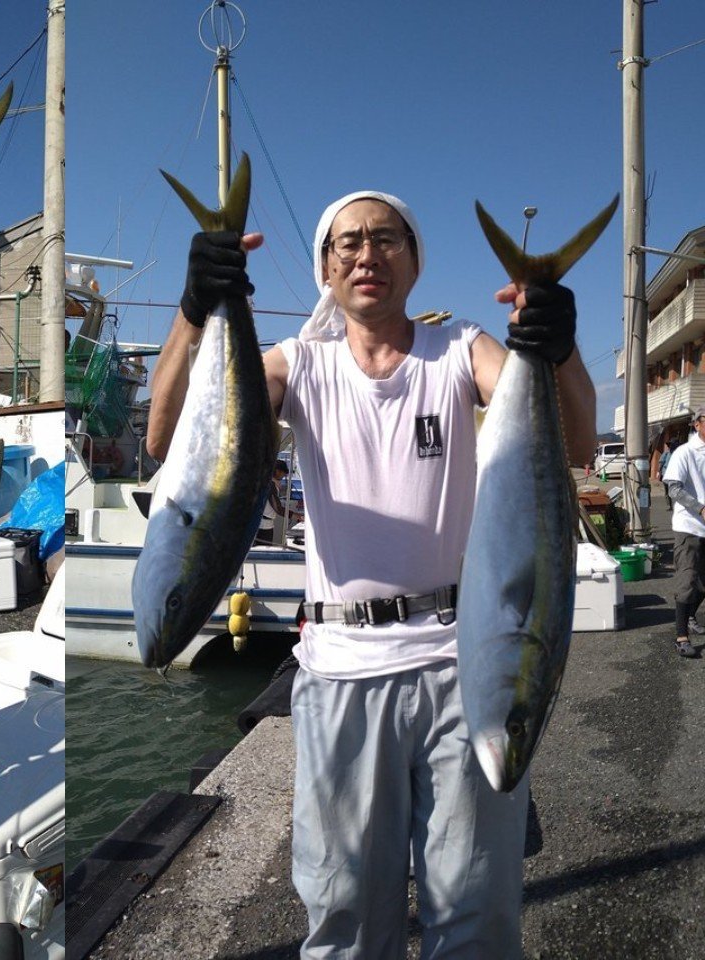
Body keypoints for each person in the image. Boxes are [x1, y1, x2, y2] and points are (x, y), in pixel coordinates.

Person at [147, 192, 596, 957]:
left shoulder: (460, 349)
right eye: (348, 242)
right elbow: (166, 435)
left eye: (386, 239)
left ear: (415, 260)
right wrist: (194, 311)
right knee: (345, 915)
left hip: (466, 669)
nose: (366, 254)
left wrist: (558, 348)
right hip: (341, 673)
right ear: (326, 266)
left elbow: (579, 440)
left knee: (478, 916)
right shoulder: (299, 365)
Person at [663, 410, 705, 658]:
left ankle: (690, 616)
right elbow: (674, 489)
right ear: (697, 424)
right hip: (689, 525)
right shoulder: (685, 452)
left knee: (703, 583)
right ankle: (681, 637)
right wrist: (699, 507)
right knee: (688, 579)